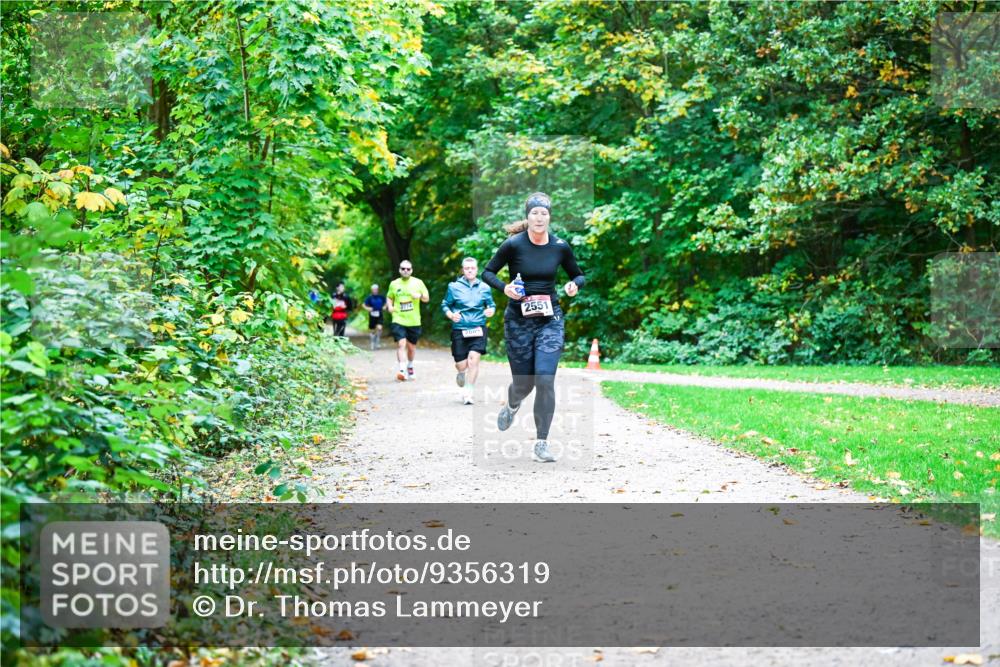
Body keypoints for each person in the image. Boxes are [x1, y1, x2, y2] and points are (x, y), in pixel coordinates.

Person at [481, 192, 585, 463]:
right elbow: (487, 272)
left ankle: (541, 443)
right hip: (518, 322)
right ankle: (512, 404)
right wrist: (505, 288)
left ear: (550, 217)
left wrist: (574, 285)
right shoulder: (513, 245)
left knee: (545, 379)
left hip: (550, 320)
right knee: (523, 383)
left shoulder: (560, 246)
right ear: (528, 217)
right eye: (534, 213)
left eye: (544, 213)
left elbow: (578, 274)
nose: (539, 218)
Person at [441, 257, 496, 405]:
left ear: (477, 270)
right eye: (467, 268)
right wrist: (451, 315)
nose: (470, 270)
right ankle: (461, 373)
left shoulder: (484, 287)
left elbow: (491, 305)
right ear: (463, 270)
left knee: (474, 360)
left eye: (472, 268)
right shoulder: (454, 287)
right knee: (462, 365)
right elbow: (445, 304)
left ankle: (469, 392)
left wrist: (491, 310)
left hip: (478, 327)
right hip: (460, 328)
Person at [386, 260, 429, 381]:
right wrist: (390, 306)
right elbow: (389, 297)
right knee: (401, 344)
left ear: (411, 270)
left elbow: (426, 298)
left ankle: (410, 366)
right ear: (399, 270)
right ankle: (401, 370)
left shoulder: (418, 282)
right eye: (403, 269)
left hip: (414, 321)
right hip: (398, 318)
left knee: (411, 348)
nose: (405, 271)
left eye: (408, 269)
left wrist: (420, 296)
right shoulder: (394, 284)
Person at [362, 284, 387, 350]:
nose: (375, 290)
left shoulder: (381, 297)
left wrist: (384, 306)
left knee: (379, 328)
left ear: (378, 290)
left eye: (376, 289)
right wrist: (367, 308)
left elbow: (386, 302)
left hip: (379, 313)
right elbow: (363, 305)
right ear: (372, 290)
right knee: (372, 330)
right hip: (372, 315)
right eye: (373, 289)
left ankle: (378, 341)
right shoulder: (369, 298)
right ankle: (372, 342)